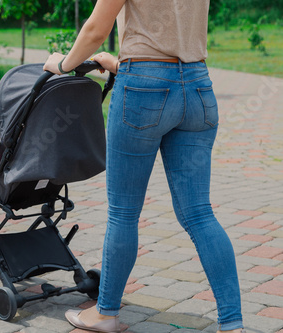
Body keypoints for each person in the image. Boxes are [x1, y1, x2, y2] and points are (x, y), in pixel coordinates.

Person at [44, 1, 244, 333]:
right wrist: (116, 62)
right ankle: (233, 323)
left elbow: (96, 28)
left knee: (123, 212)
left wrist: (63, 65)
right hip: (197, 87)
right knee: (199, 213)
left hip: (143, 89)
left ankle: (105, 313)